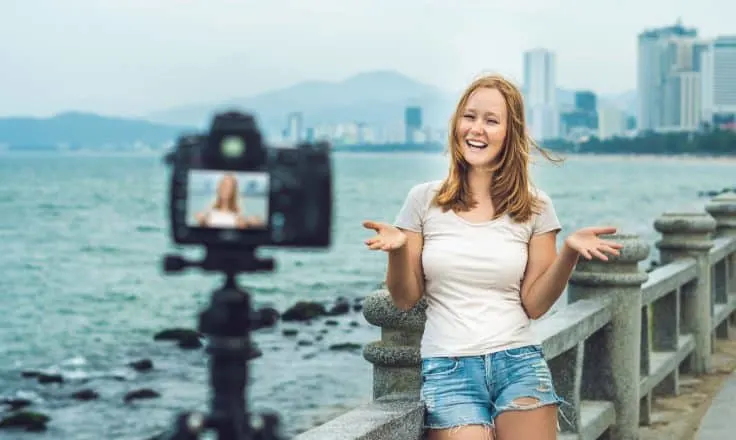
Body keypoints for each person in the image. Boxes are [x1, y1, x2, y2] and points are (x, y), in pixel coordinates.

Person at [362, 74, 623, 440]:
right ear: (456, 124)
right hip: (449, 369)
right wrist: (399, 250)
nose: (477, 129)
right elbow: (406, 298)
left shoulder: (535, 207)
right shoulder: (423, 200)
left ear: (509, 133)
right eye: (470, 117)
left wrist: (568, 255)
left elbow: (534, 304)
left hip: (518, 363)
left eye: (491, 120)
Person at [195, 173, 264, 229]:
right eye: (223, 185)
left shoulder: (239, 215)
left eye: (229, 187)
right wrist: (202, 222)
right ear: (219, 188)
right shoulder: (209, 212)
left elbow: (260, 223)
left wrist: (249, 223)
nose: (225, 189)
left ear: (233, 190)